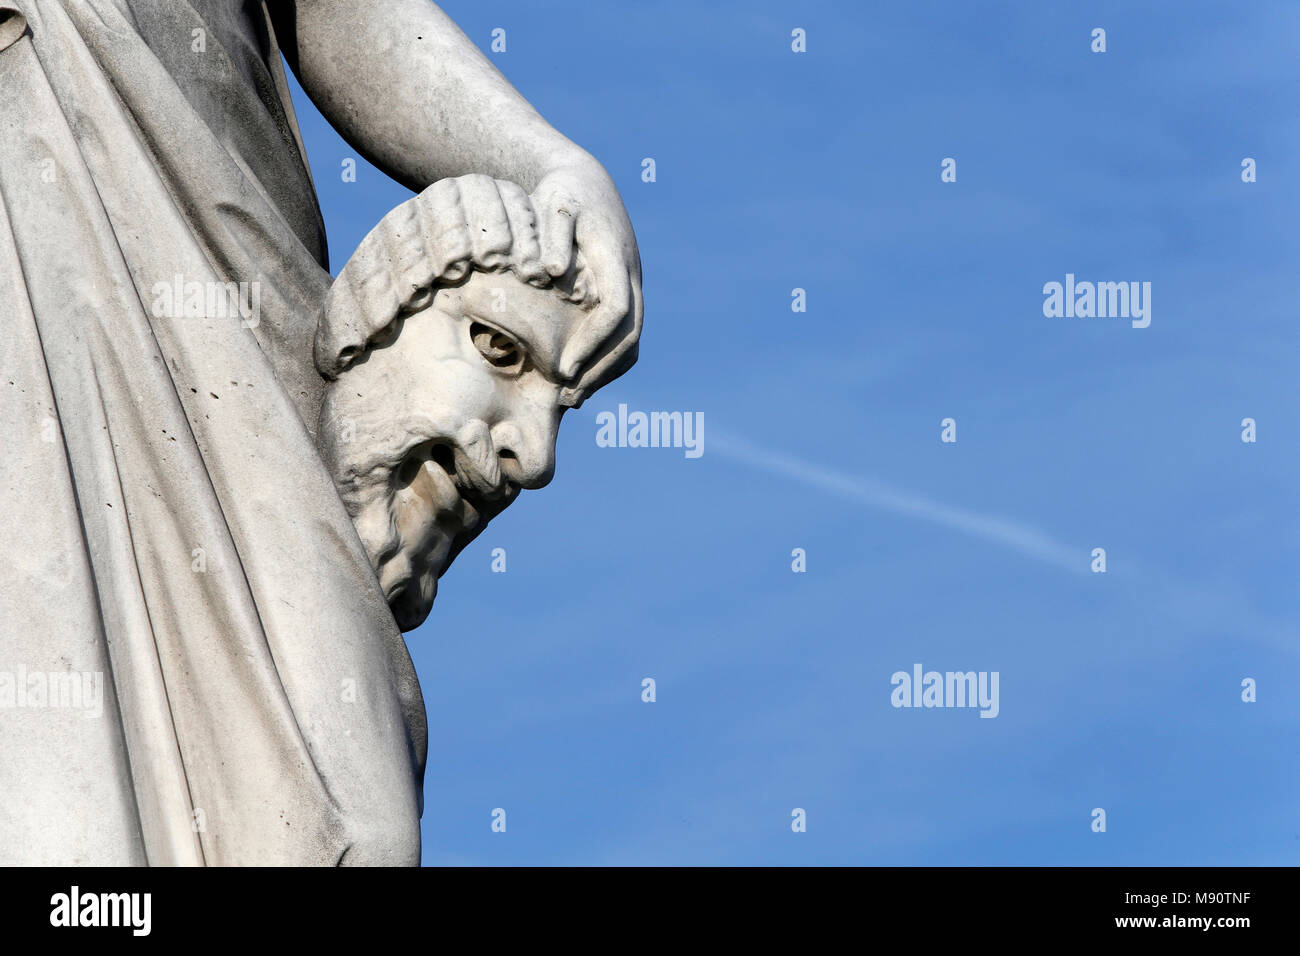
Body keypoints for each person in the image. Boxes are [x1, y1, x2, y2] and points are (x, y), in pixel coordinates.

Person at [0, 0, 641, 865]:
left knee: (333, 806)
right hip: (44, 136)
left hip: (218, 223)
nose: (533, 460)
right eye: (498, 353)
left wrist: (552, 164)